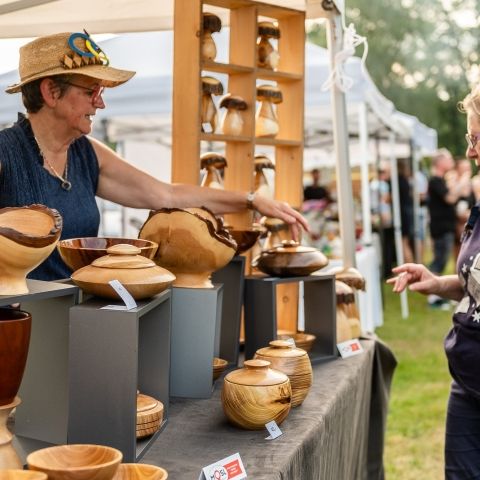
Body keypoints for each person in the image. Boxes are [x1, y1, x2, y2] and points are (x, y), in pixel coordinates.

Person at [0, 32, 308, 281]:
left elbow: (167, 194)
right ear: (51, 92)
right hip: (16, 323)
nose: (100, 104)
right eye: (92, 91)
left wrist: (251, 200)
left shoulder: (87, 153)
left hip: (77, 316)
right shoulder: (5, 152)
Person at [388, 83, 480, 479]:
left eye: (476, 138)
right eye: (468, 138)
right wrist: (439, 282)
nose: (471, 151)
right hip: (468, 384)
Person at [426, 148, 469, 307]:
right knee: (439, 261)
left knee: (442, 260)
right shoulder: (435, 181)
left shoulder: (441, 180)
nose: (451, 162)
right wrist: (462, 181)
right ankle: (432, 297)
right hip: (441, 228)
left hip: (445, 227)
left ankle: (436, 295)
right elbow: (450, 198)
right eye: (448, 159)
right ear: (440, 162)